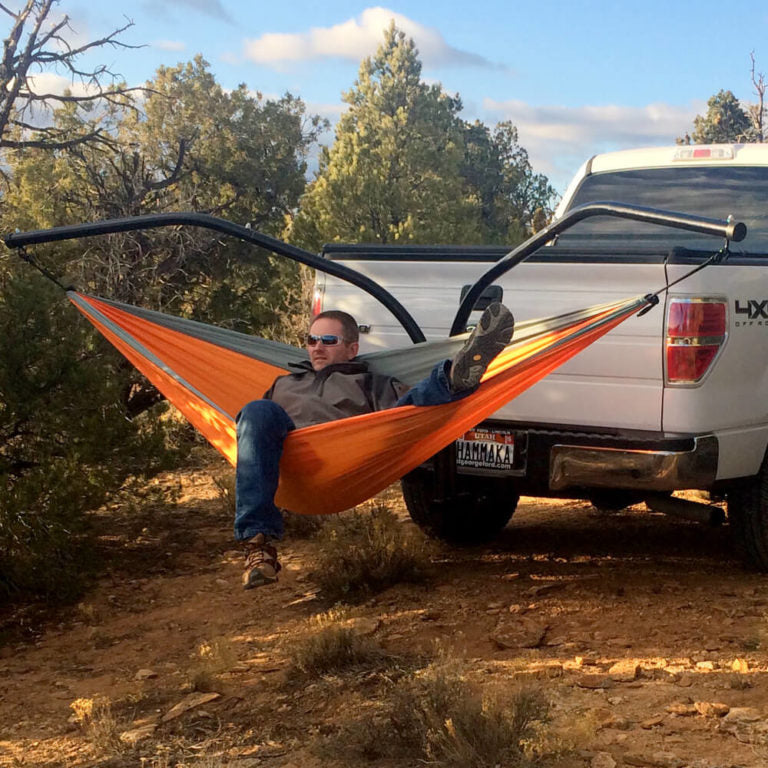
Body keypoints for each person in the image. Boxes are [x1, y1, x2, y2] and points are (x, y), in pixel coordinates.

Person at [235, 302, 515, 589]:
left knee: (412, 402)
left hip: (348, 455)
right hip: (291, 459)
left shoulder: (369, 382)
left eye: (329, 341)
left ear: (352, 349)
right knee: (257, 410)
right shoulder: (284, 383)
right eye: (312, 340)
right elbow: (255, 434)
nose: (318, 347)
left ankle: (455, 375)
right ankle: (258, 545)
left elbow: (404, 416)